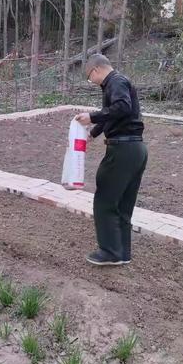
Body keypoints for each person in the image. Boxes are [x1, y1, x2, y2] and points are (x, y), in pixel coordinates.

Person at [76, 54, 147, 266]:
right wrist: (93, 133)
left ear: (96, 70)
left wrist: (92, 116)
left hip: (122, 151)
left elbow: (122, 108)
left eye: (90, 77)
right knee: (124, 204)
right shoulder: (116, 84)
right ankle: (122, 252)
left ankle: (109, 252)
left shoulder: (115, 82)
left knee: (105, 200)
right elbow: (114, 115)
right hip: (136, 149)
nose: (91, 81)